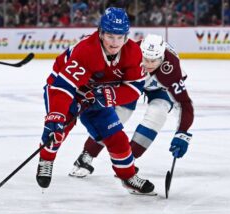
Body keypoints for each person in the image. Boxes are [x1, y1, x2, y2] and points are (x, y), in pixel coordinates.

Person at [37, 7, 156, 195]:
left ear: (126, 35)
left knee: (117, 138)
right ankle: (46, 159)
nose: (115, 43)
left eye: (120, 37)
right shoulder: (87, 50)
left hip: (97, 96)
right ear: (101, 33)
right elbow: (63, 87)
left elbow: (134, 89)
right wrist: (56, 116)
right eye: (110, 36)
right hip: (68, 90)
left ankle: (128, 176)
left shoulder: (133, 52)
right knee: (58, 129)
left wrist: (108, 96)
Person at [69, 34, 194, 178]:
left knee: (158, 114)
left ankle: (129, 160)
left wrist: (182, 133)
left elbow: (185, 104)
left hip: (158, 88)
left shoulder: (172, 69)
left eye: (154, 61)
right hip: (133, 81)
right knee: (118, 117)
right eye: (145, 59)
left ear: (162, 58)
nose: (149, 65)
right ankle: (87, 154)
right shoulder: (128, 54)